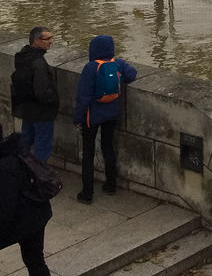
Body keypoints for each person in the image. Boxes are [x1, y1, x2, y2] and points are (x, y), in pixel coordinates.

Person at [71, 34, 137, 204]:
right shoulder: (118, 64)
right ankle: (111, 185)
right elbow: (132, 74)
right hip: (111, 114)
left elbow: (83, 97)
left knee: (88, 153)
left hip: (91, 118)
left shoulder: (90, 68)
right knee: (108, 147)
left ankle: (87, 193)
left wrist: (77, 118)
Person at [0, 131, 53, 276]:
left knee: (34, 260)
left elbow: (6, 208)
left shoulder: (5, 166)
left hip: (30, 217)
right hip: (33, 211)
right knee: (35, 260)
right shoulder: (13, 149)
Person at [11, 26, 59, 163]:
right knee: (42, 148)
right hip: (42, 112)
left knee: (26, 142)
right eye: (47, 38)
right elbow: (42, 91)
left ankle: (23, 172)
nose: (51, 41)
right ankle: (38, 178)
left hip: (27, 109)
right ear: (37, 41)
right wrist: (54, 102)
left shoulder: (23, 57)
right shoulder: (38, 63)